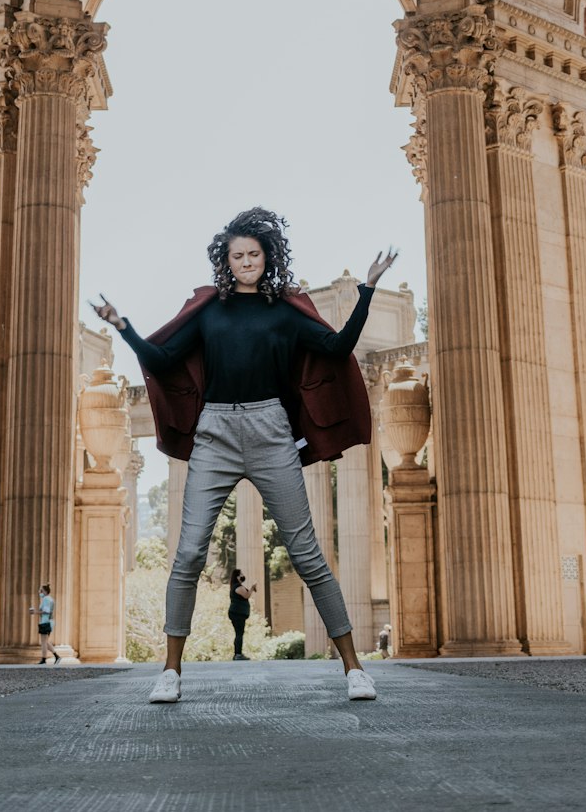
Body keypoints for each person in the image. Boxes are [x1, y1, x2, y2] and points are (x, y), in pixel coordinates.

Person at [94, 205, 396, 705]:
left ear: (267, 257)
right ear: (226, 260)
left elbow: (339, 347)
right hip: (215, 432)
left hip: (271, 431)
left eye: (254, 253)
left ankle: (354, 669)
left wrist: (367, 290)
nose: (246, 261)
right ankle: (170, 672)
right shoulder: (210, 310)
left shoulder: (284, 311)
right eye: (237, 255)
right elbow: (162, 359)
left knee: (308, 556)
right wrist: (124, 326)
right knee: (188, 553)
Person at [29, 583, 61, 665]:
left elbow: (46, 611)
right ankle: (56, 656)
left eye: (41, 590)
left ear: (45, 591)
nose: (40, 592)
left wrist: (34, 612)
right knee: (45, 641)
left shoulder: (46, 599)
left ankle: (44, 659)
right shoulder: (49, 599)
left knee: (43, 642)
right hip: (48, 622)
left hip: (45, 622)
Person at [229, 568, 257, 661]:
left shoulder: (237, 586)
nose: (242, 576)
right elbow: (246, 595)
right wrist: (252, 588)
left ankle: (238, 653)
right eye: (241, 574)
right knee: (239, 634)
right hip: (237, 613)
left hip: (238, 613)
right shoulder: (238, 587)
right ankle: (238, 654)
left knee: (239, 633)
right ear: (237, 577)